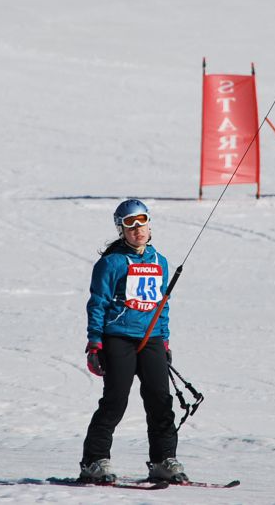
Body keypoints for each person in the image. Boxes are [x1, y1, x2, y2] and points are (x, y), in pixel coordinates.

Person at [79, 199, 187, 484]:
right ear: (121, 229)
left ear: (149, 224)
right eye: (130, 224)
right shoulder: (111, 263)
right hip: (119, 338)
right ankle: (94, 460)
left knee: (160, 400)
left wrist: (164, 341)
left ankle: (163, 459)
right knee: (115, 400)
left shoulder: (160, 262)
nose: (137, 229)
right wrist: (94, 343)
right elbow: (97, 304)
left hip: (151, 339)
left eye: (141, 222)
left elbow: (162, 306)